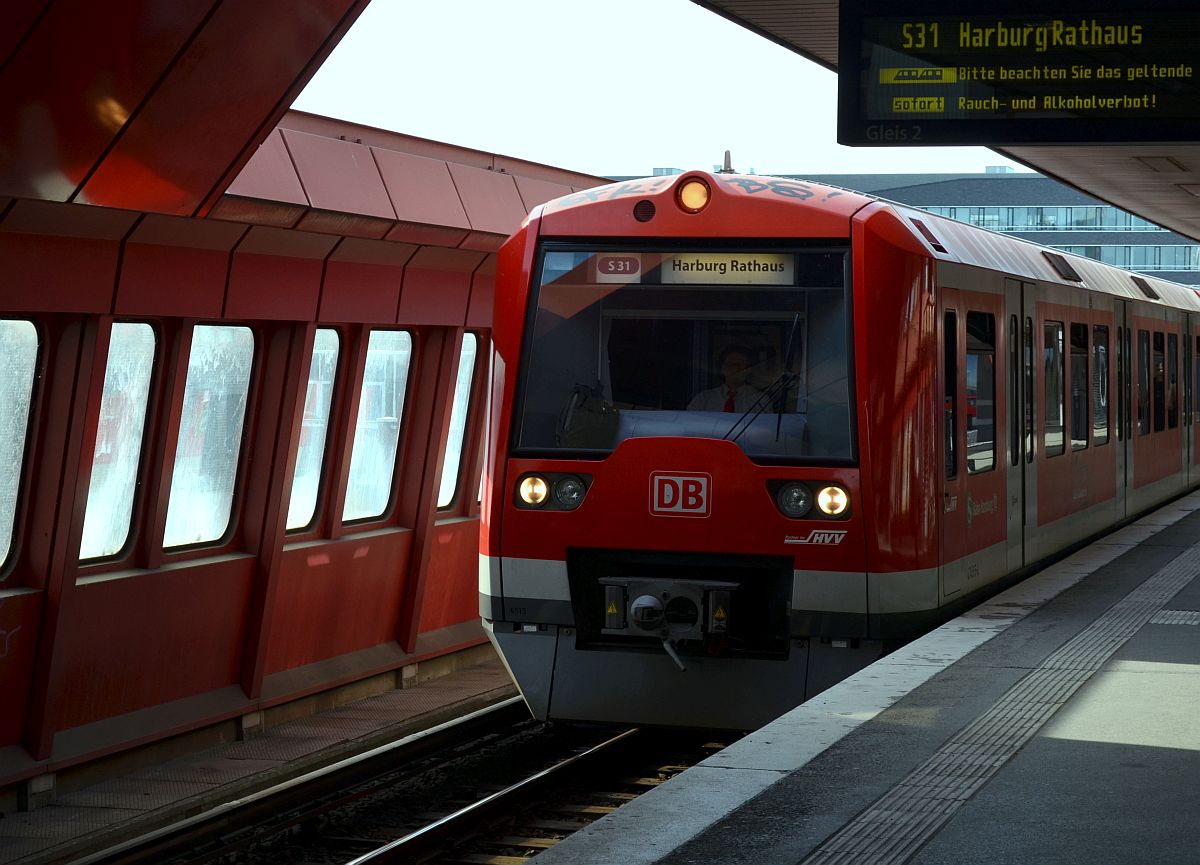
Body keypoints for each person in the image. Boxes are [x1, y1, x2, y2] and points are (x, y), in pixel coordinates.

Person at [687, 345, 765, 412]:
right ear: (722, 368)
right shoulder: (703, 399)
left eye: (740, 364)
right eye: (731, 364)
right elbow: (689, 425)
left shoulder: (760, 400)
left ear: (749, 369)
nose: (735, 368)